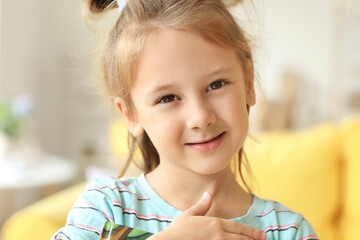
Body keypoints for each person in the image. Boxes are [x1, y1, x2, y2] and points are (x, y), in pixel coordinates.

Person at [52, 0, 319, 239]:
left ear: (248, 83)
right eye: (168, 98)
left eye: (216, 84)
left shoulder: (289, 231)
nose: (201, 117)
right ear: (130, 115)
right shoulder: (104, 209)